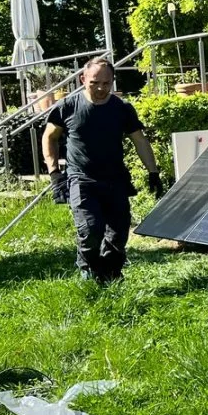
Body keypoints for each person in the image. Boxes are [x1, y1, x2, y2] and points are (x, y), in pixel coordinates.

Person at [42, 58, 162, 282]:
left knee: (118, 233)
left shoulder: (122, 109)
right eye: (94, 83)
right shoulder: (67, 106)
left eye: (106, 83)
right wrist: (54, 173)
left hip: (115, 179)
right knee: (90, 229)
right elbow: (49, 137)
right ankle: (88, 270)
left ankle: (112, 274)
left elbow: (139, 140)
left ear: (112, 81)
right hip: (81, 179)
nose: (100, 88)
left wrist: (153, 172)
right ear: (83, 79)